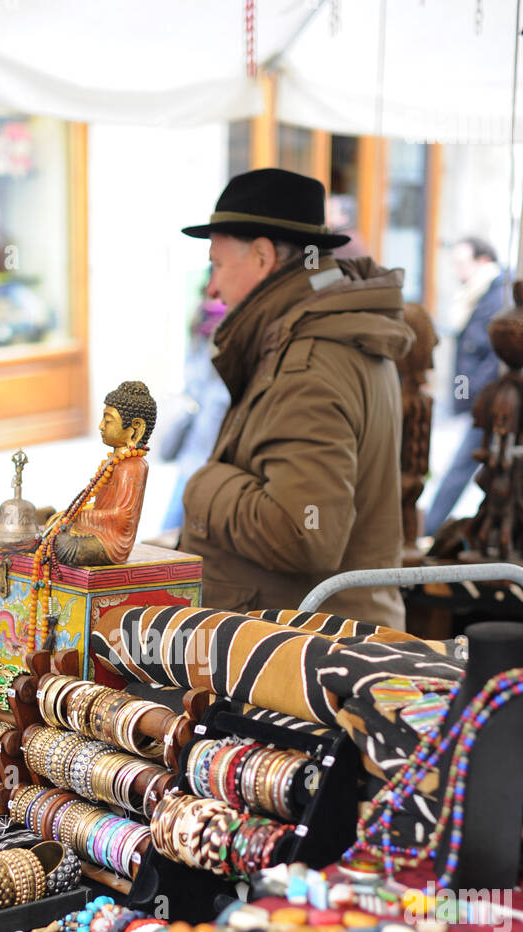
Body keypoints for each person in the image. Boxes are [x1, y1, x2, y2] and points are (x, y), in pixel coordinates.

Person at [177, 167, 413, 629]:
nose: (212, 287)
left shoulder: (310, 361)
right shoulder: (322, 332)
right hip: (318, 638)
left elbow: (304, 533)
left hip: (306, 654)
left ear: (263, 256)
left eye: (218, 264)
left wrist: (202, 487)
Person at [424, 237, 505, 536]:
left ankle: (429, 531)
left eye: (462, 263)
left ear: (482, 261)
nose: (457, 271)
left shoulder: (496, 296)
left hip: (491, 403)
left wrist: (474, 397)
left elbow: (494, 357)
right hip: (481, 400)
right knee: (477, 469)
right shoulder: (476, 294)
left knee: (464, 467)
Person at [159, 277, 229, 532]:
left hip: (206, 454)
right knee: (176, 523)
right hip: (199, 450)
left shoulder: (206, 321)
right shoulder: (205, 324)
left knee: (179, 524)